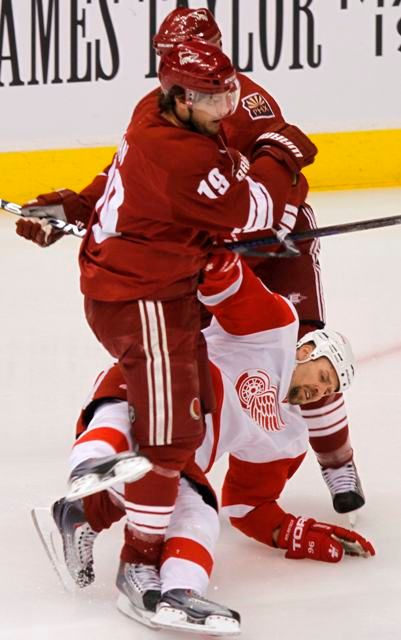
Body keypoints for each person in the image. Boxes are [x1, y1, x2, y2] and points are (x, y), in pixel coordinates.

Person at [16, 8, 364, 516]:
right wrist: (76, 204)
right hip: (211, 253)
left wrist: (265, 221)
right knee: (165, 357)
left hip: (270, 250)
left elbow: (284, 187)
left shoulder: (249, 103)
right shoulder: (159, 108)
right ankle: (114, 466)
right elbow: (133, 178)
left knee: (303, 349)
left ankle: (336, 459)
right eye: (163, 58)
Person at [45, 39, 315, 613]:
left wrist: (73, 205)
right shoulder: (183, 157)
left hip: (148, 286)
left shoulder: (152, 112)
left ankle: (86, 511)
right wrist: (282, 154)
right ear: (175, 94)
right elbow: (256, 209)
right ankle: (138, 569)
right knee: (171, 444)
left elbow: (130, 184)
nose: (222, 108)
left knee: (179, 433)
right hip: (145, 299)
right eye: (207, 98)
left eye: (226, 93)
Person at [41, 252, 374, 635]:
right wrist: (207, 249)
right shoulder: (275, 329)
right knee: (122, 422)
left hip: (178, 455)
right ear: (305, 350)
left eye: (328, 388)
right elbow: (230, 285)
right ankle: (90, 467)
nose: (319, 389)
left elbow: (248, 505)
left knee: (200, 511)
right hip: (154, 385)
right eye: (322, 374)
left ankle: (178, 592)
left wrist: (290, 531)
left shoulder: (290, 436)